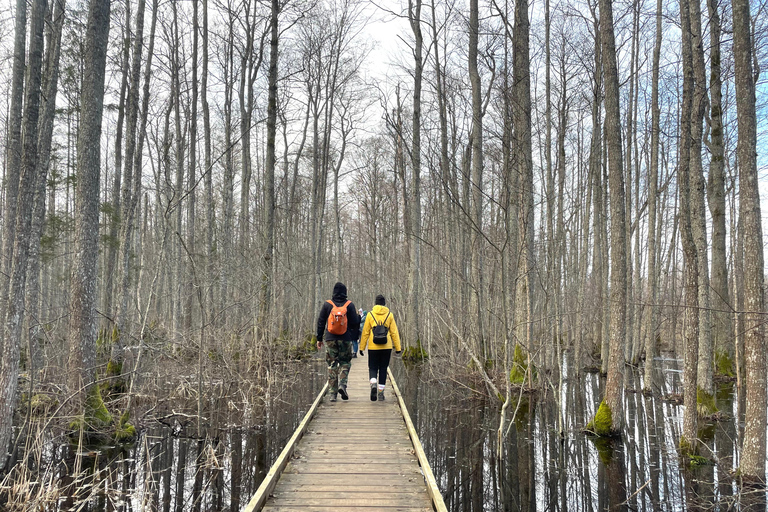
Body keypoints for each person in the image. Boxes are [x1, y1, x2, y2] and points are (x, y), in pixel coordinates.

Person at [316, 282, 360, 402]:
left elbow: (321, 322)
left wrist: (319, 339)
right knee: (345, 362)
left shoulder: (327, 305)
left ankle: (332, 394)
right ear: (345, 292)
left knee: (332, 364)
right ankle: (343, 384)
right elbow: (355, 323)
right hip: (345, 338)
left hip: (330, 338)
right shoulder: (349, 305)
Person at [359, 294, 401, 401]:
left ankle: (373, 383)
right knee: (383, 369)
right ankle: (381, 393)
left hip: (373, 346)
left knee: (373, 367)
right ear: (384, 303)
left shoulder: (370, 314)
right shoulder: (389, 315)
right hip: (386, 346)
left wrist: (362, 347)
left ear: (375, 303)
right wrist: (398, 347)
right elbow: (394, 332)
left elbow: (365, 332)